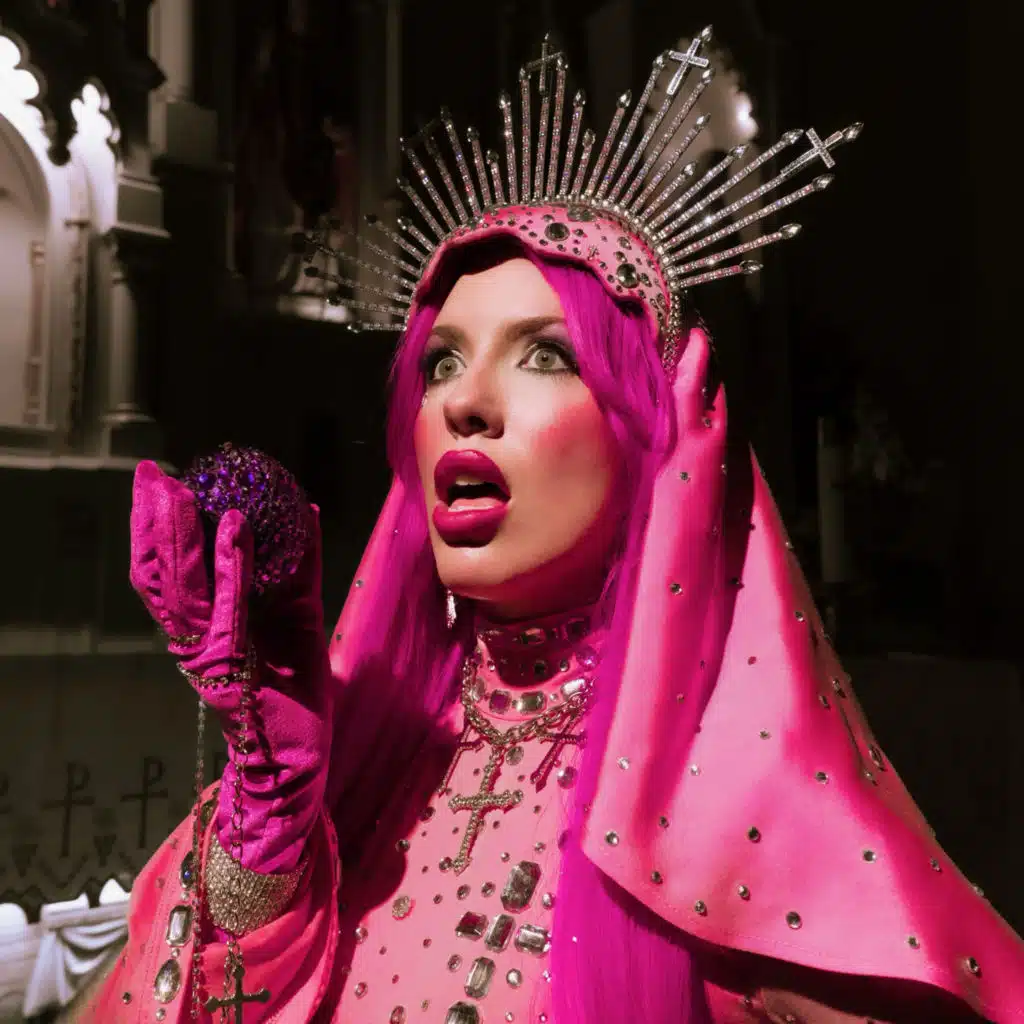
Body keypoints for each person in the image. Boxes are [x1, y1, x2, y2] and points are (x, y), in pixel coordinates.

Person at [86, 29, 1024, 1024]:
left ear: (655, 434)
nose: (464, 401)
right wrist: (268, 823)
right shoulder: (375, 757)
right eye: (442, 362)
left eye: (546, 355)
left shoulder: (735, 831)